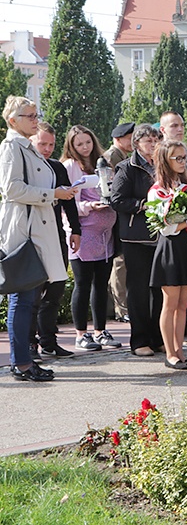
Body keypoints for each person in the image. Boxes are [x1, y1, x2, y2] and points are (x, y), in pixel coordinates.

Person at [1, 97, 74, 381]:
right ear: (12, 121)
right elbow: (12, 189)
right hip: (24, 232)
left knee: (28, 298)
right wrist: (52, 195)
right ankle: (21, 363)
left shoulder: (26, 147)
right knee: (23, 298)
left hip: (35, 230)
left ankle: (24, 360)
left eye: (35, 114)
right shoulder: (11, 148)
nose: (34, 119)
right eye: (28, 115)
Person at [61, 125, 121, 351]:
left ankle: (100, 330)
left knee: (101, 283)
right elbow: (66, 203)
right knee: (83, 283)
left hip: (105, 234)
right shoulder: (70, 166)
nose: (85, 147)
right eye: (79, 144)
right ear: (72, 147)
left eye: (88, 142)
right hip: (83, 233)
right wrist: (88, 206)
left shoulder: (103, 163)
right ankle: (80, 334)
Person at [148, 140, 187, 369]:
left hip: (186, 246)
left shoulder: (185, 187)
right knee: (170, 304)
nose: (183, 162)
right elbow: (165, 227)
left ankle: (180, 351)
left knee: (183, 303)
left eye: (184, 158)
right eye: (178, 158)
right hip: (170, 247)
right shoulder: (157, 191)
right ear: (165, 160)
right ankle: (169, 353)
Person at [110, 124, 164, 357]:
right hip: (135, 238)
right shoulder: (127, 167)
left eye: (156, 140)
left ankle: (158, 337)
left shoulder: (163, 165)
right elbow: (117, 200)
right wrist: (143, 206)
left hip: (161, 235)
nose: (153, 145)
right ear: (137, 144)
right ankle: (139, 340)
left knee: (160, 290)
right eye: (149, 141)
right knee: (139, 290)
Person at [27, 123, 79, 360]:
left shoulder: (57, 167)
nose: (47, 149)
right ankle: (29, 343)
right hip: (33, 235)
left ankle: (49, 340)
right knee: (33, 291)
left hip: (57, 234)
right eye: (42, 144)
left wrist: (75, 231)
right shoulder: (26, 168)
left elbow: (68, 201)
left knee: (56, 288)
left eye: (51, 144)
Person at [104, 122, 134, 325]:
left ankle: (121, 307)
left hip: (120, 217)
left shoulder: (123, 156)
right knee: (119, 264)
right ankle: (120, 308)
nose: (132, 141)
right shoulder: (111, 157)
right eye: (129, 137)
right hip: (114, 217)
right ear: (118, 139)